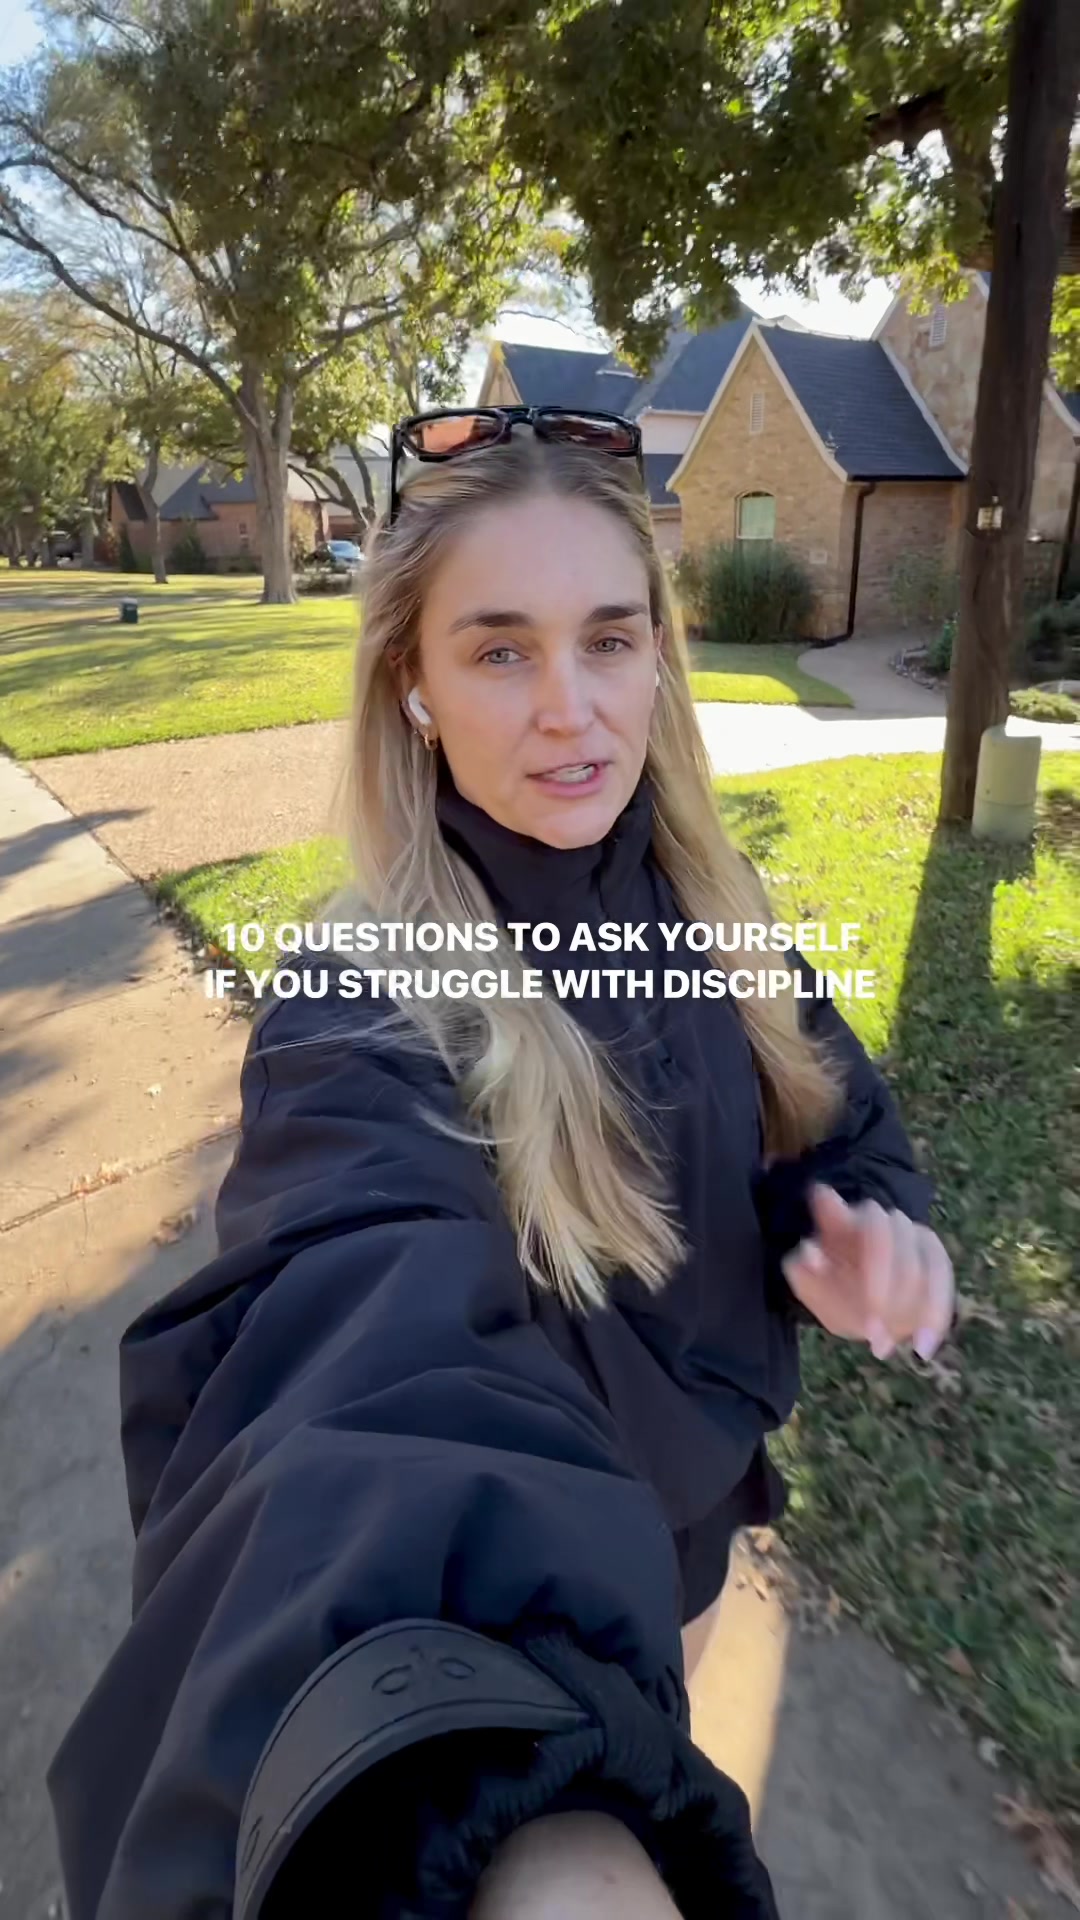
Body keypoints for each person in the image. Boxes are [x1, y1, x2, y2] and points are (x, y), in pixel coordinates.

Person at [48, 404, 956, 1919]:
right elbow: (362, 1336)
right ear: (411, 685)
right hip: (532, 1584)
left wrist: (853, 1218)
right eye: (499, 651)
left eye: (608, 640)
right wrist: (474, 1794)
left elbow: (836, 1115)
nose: (571, 710)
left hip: (701, 1519)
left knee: (674, 1696)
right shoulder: (364, 997)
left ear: (658, 657)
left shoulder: (713, 905)